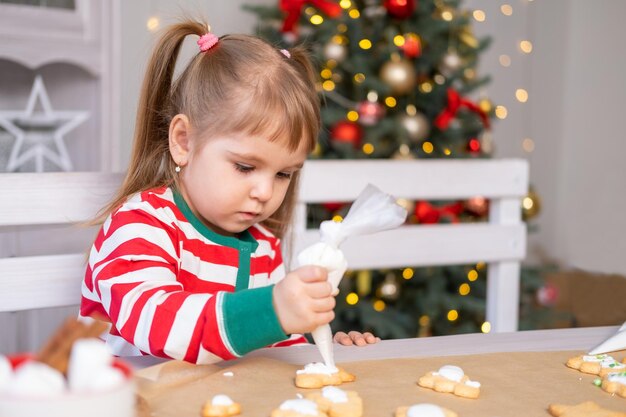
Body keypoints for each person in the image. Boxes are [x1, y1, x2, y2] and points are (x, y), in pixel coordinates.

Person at [79, 20, 378, 364]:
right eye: (245, 167)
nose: (265, 191)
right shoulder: (140, 226)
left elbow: (272, 353)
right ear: (183, 141)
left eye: (283, 173)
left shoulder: (264, 247)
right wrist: (273, 310)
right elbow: (157, 325)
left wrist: (321, 348)